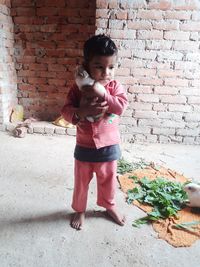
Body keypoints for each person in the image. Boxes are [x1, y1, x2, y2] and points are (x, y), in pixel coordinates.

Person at [61, 34, 128, 230]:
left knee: (108, 181)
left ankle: (109, 206)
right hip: (84, 146)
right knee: (81, 182)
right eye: (99, 66)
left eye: (111, 67)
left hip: (109, 147)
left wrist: (103, 92)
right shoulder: (78, 89)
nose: (106, 72)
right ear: (86, 65)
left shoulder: (115, 87)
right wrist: (81, 112)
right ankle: (79, 209)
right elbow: (65, 111)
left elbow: (120, 107)